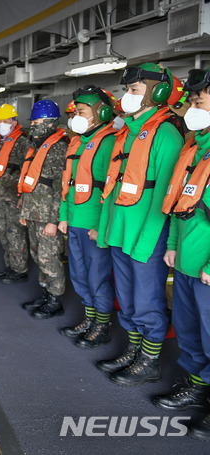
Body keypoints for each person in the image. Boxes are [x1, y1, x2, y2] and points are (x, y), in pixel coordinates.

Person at [96, 63, 184, 386]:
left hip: (145, 236)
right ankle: (133, 351)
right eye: (127, 91)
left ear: (156, 93)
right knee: (128, 298)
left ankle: (149, 361)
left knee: (148, 300)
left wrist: (147, 243)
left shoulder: (167, 136)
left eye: (134, 90)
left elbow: (163, 198)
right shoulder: (125, 134)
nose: (127, 97)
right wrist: (106, 231)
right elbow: (112, 186)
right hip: (120, 232)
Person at [154, 68, 210, 439]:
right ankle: (198, 387)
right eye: (191, 100)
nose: (192, 106)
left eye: (199, 101)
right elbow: (179, 203)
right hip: (187, 262)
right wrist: (173, 246)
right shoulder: (194, 146)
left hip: (207, 268)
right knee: (190, 333)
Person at [57, 87, 117, 348]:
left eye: (82, 112)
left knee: (97, 277)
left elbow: (111, 188)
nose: (76, 117)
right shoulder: (75, 141)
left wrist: (100, 225)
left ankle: (101, 326)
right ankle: (89, 318)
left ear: (100, 113)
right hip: (74, 222)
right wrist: (63, 216)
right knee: (80, 276)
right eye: (75, 112)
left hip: (94, 225)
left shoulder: (110, 142)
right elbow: (67, 186)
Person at [18, 99, 68, 319]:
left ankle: (55, 300)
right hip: (34, 212)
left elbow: (59, 189)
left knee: (50, 258)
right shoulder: (37, 147)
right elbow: (32, 181)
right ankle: (46, 294)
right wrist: (24, 210)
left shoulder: (58, 148)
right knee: (38, 255)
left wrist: (54, 220)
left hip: (48, 215)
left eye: (36, 122)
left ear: (49, 123)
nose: (33, 126)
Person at [0, 103, 33, 284]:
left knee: (15, 233)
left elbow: (29, 171)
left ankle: (20, 270)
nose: (2, 124)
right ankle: (11, 265)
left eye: (6, 121)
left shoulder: (22, 143)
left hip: (14, 198)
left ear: (14, 121)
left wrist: (24, 197)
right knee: (2, 232)